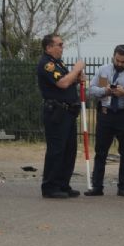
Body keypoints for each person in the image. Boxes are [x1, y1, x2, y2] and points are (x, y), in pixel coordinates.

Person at [85, 45, 124, 197]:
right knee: (100, 152)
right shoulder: (103, 70)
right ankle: (97, 186)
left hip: (123, 116)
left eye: (123, 62)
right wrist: (104, 91)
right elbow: (91, 90)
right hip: (105, 115)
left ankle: (123, 187)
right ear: (113, 56)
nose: (119, 64)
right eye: (117, 60)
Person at [36, 34, 86, 199]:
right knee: (56, 150)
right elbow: (63, 83)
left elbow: (68, 80)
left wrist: (77, 78)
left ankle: (63, 184)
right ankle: (50, 186)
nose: (62, 47)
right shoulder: (47, 64)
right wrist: (76, 69)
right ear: (48, 47)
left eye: (62, 44)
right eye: (59, 44)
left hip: (68, 112)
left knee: (69, 150)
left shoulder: (59, 64)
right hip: (57, 113)